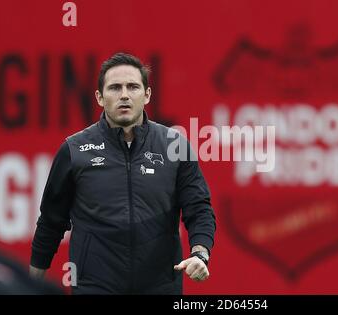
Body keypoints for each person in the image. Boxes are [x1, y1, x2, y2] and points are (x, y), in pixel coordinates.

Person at [29, 52, 216, 294]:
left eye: (133, 87)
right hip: (94, 286)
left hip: (160, 286)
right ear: (99, 97)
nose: (125, 95)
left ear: (147, 95)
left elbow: (199, 208)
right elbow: (51, 223)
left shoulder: (175, 146)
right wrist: (32, 283)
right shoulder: (74, 150)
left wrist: (200, 253)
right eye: (115, 88)